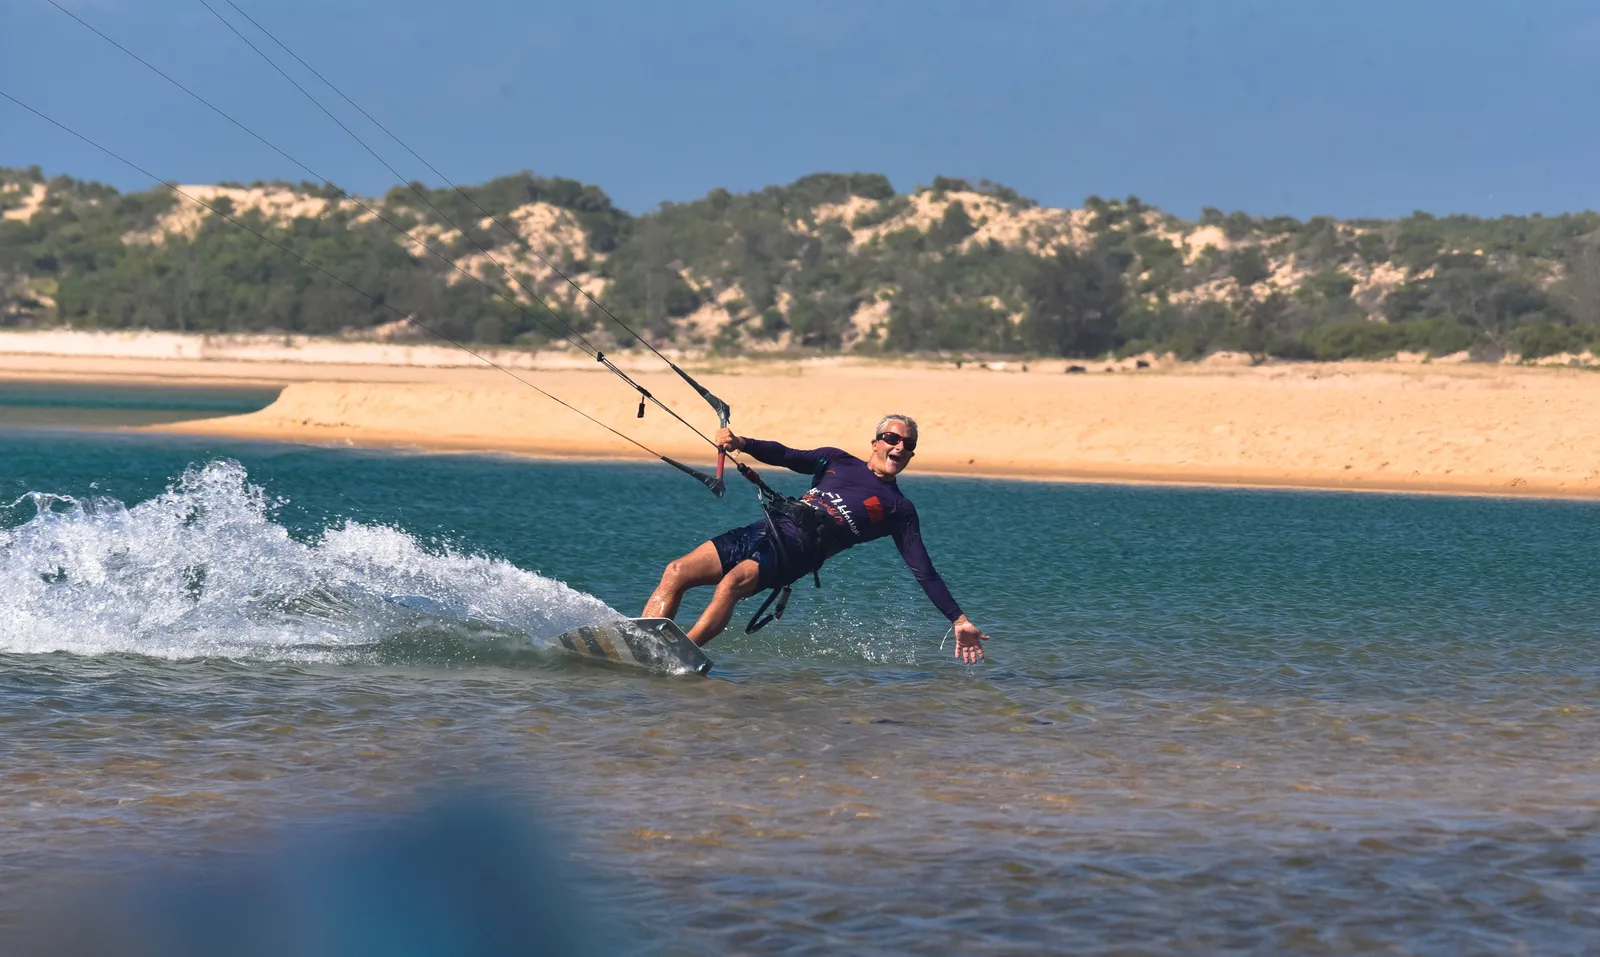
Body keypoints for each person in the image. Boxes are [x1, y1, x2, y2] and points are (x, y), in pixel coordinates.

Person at [642, 414, 991, 663]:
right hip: (769, 526)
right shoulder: (837, 460)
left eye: (908, 444)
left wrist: (958, 620)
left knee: (732, 583)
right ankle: (642, 644)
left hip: (798, 550)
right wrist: (742, 443)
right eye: (893, 439)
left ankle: (679, 653)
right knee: (677, 571)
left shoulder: (898, 508)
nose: (900, 447)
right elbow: (787, 455)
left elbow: (923, 570)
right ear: (876, 443)